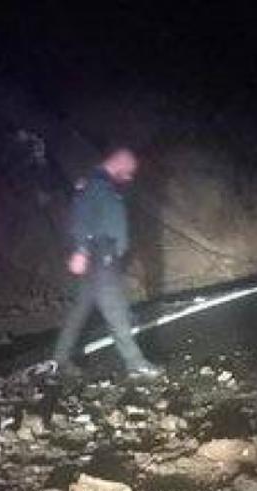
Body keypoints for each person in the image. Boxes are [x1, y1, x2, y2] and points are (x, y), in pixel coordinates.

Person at [52, 146, 163, 379]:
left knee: (80, 309)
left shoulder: (102, 184)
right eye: (129, 171)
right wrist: (81, 249)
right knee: (116, 310)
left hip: (102, 256)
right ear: (119, 164)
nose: (130, 177)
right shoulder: (96, 184)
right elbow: (82, 217)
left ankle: (60, 359)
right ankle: (135, 363)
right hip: (101, 255)